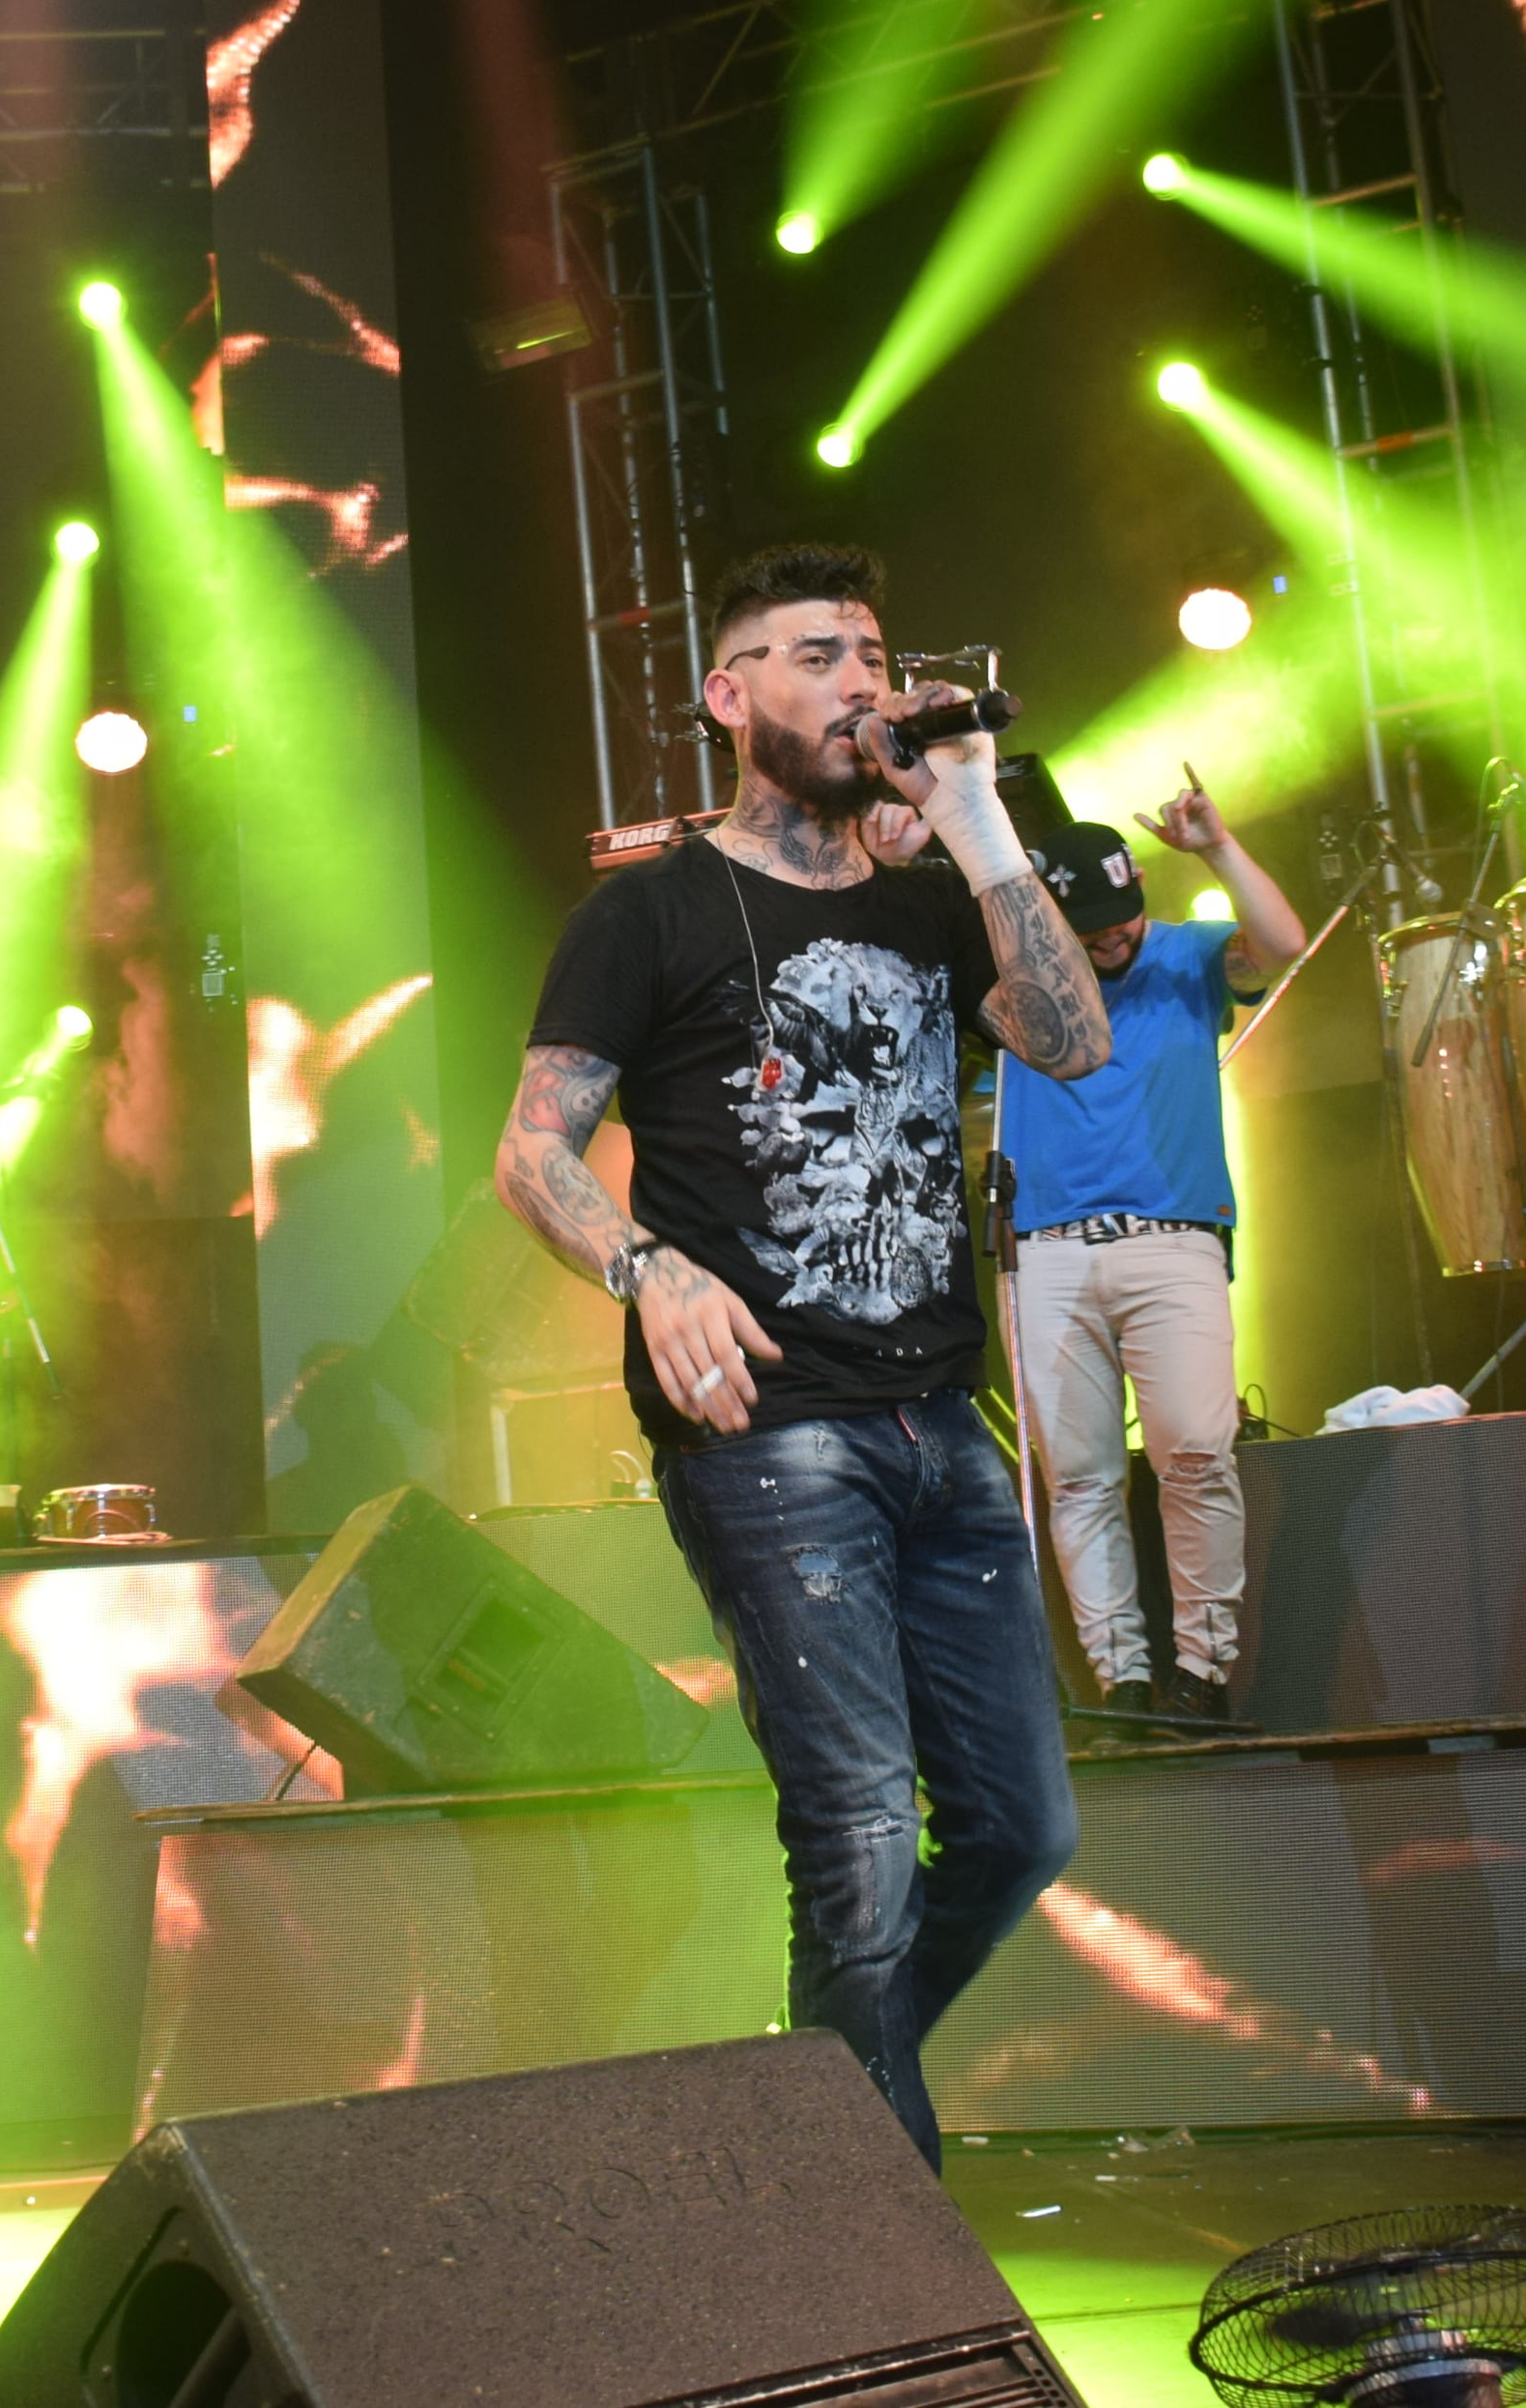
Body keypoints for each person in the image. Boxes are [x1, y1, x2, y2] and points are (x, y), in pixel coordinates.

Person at [496, 539, 1110, 2164]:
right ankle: (882, 2228)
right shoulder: (650, 912)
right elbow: (534, 1151)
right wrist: (646, 1264)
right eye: (819, 652)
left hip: (939, 1417)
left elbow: (1074, 1034)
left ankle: (815, 2096)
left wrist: (976, 813)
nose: (862, 681)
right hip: (768, 1430)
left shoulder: (927, 901)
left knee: (1024, 1825)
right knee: (854, 1834)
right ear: (731, 691)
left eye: (875, 654)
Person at [993, 770, 1306, 1723]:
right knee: (1078, 1477)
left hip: (1174, 1239)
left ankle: (1200, 1673)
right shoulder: (1017, 984)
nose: (1111, 934)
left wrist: (1215, 847)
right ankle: (1121, 1680)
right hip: (1043, 1248)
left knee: (1196, 1454)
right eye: (1085, 920)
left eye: (1120, 912)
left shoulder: (1188, 956)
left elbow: (1284, 945)